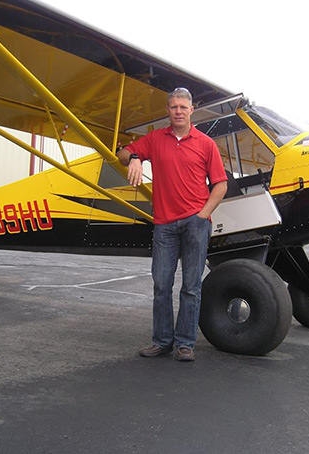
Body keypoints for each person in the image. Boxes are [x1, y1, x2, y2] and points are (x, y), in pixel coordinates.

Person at [117, 87, 228, 361]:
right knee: (161, 285)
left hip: (195, 222)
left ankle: (185, 343)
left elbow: (221, 185)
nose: (178, 111)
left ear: (191, 110)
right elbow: (123, 152)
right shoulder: (155, 139)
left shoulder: (206, 144)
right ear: (167, 111)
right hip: (164, 224)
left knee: (191, 286)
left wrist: (203, 215)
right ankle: (162, 340)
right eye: (173, 107)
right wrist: (134, 158)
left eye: (183, 107)